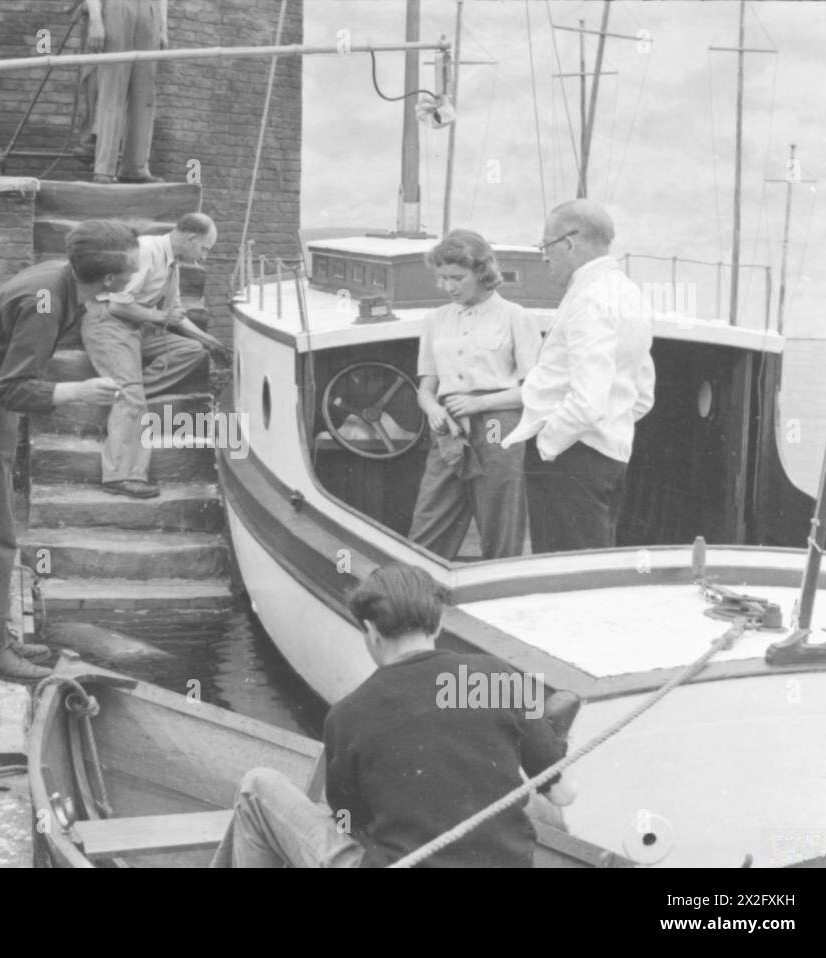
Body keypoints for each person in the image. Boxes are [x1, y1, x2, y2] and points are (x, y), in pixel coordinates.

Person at [210, 563, 575, 868]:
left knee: (258, 787)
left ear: (370, 631)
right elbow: (562, 796)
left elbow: (350, 822)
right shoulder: (496, 675)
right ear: (437, 623)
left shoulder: (349, 713)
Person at [0, 220, 137, 680]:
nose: (138, 273)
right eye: (133, 267)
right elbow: (14, 389)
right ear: (108, 279)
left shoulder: (60, 277)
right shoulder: (46, 301)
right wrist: (80, 390)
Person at [501, 200, 655, 553]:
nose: (543, 257)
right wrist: (610, 427)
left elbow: (588, 401)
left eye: (545, 246)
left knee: (563, 577)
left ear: (568, 242)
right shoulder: (631, 295)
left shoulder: (588, 299)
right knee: (588, 569)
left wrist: (547, 445)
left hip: (569, 459)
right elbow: (642, 395)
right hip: (609, 455)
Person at [409, 230, 542, 560]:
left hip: (499, 424)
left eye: (457, 277)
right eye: (443, 279)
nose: (448, 287)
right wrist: (431, 410)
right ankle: (416, 594)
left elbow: (535, 392)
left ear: (482, 273)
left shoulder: (516, 317)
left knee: (500, 520)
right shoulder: (435, 320)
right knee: (429, 520)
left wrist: (479, 403)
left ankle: (500, 594)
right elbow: (426, 388)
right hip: (448, 426)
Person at [82, 213, 224, 498]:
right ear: (190, 238)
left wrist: (211, 342)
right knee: (132, 395)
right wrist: (161, 317)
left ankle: (125, 397)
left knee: (192, 351)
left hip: (140, 327)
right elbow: (117, 306)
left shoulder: (172, 263)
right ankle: (120, 476)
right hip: (108, 325)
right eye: (204, 248)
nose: (204, 257)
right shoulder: (146, 251)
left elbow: (177, 315)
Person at [85, 0, 167, 184]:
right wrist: (96, 20)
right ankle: (104, 169)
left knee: (144, 94)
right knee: (112, 89)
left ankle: (135, 168)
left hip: (149, 11)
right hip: (116, 8)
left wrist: (163, 27)